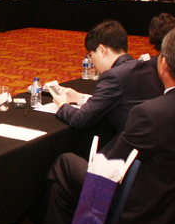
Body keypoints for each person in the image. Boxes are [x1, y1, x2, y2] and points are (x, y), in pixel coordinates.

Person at [42, 28, 175, 224]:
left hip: (136, 208)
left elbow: (111, 166)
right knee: (63, 189)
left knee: (65, 164)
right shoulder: (149, 83)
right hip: (164, 202)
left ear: (164, 65)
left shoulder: (150, 115)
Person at [49, 20, 163, 151]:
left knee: (64, 162)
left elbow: (80, 120)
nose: (92, 61)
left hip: (132, 151)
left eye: (91, 55)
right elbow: (119, 100)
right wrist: (80, 97)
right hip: (154, 145)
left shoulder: (113, 76)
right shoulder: (145, 66)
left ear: (102, 50)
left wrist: (62, 104)